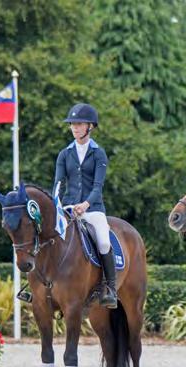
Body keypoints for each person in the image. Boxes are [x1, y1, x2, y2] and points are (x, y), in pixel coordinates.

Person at [53, 103, 116, 308]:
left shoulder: (99, 154)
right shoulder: (64, 154)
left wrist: (86, 204)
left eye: (79, 124)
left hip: (93, 209)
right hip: (68, 209)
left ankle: (110, 288)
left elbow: (98, 186)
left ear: (90, 126)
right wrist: (58, 204)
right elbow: (58, 184)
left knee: (105, 242)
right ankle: (37, 285)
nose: (74, 128)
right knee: (46, 238)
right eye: (72, 124)